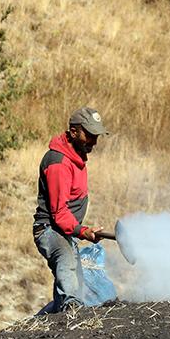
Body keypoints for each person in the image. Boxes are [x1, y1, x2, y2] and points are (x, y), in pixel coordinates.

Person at [32, 107, 108, 313]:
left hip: (63, 231)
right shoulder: (59, 163)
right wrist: (84, 231)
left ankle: (53, 316)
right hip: (49, 230)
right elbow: (59, 213)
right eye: (90, 135)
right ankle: (71, 312)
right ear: (73, 132)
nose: (94, 141)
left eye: (96, 136)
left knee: (77, 284)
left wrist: (81, 231)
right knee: (66, 263)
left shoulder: (76, 155)